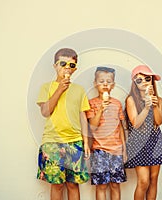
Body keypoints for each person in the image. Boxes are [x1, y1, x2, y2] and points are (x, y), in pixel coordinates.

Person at [36, 48, 90, 200]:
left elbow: (83, 117)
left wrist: (86, 142)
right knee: (57, 185)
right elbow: (45, 111)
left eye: (71, 65)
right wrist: (59, 89)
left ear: (75, 68)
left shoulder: (79, 90)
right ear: (55, 65)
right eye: (63, 63)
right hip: (52, 142)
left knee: (73, 184)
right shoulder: (46, 87)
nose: (67, 67)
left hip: (74, 142)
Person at [124, 65, 162, 200]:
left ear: (152, 80)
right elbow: (136, 123)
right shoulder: (131, 100)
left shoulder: (158, 100)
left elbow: (158, 121)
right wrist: (146, 107)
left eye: (147, 78)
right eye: (139, 80)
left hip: (155, 141)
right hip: (138, 143)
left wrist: (153, 104)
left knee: (153, 180)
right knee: (143, 181)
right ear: (134, 83)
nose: (144, 82)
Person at [86, 66, 127, 200]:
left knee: (115, 185)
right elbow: (92, 127)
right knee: (101, 186)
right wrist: (101, 109)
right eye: (101, 81)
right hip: (99, 151)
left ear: (113, 85)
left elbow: (120, 127)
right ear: (95, 83)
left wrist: (124, 150)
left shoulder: (117, 104)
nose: (105, 84)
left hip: (116, 150)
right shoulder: (91, 103)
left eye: (108, 81)